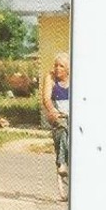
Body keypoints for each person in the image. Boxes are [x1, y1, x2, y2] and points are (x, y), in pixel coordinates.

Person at [43, 52, 70, 200]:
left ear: (68, 69)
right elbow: (46, 99)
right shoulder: (51, 77)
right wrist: (53, 111)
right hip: (58, 115)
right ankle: (62, 163)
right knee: (63, 127)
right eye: (56, 65)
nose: (58, 68)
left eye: (61, 66)